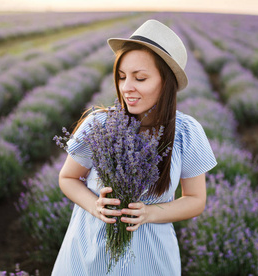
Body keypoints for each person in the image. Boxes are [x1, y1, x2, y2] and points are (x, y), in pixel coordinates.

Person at [51, 19, 217, 275]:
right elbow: (68, 178)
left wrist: (149, 213)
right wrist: (94, 205)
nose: (127, 87)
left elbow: (195, 200)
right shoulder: (100, 124)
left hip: (150, 256)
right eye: (121, 77)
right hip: (89, 252)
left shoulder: (186, 132)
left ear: (166, 82)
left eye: (140, 78)